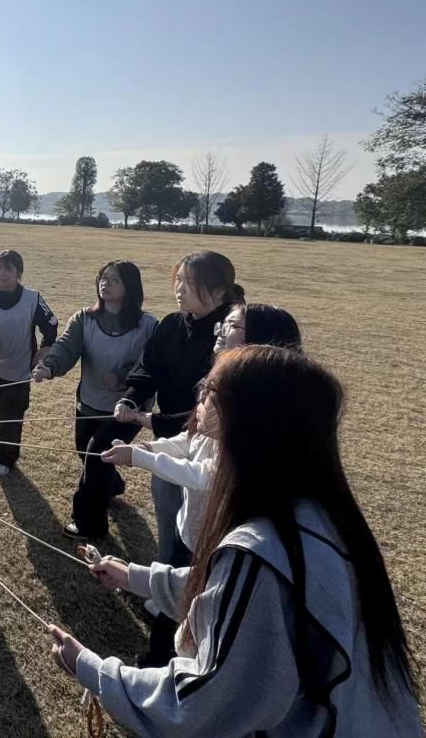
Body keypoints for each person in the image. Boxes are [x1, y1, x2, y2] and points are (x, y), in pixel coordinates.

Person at [49, 346, 422, 736]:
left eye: (211, 390)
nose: (200, 394)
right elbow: (229, 599)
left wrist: (91, 669)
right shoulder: (319, 517)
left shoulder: (262, 553)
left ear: (249, 420)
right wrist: (135, 577)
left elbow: (200, 707)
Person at [112, 251, 244, 665]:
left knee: (199, 541)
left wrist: (148, 432)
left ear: (218, 291)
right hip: (172, 443)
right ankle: (166, 591)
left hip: (186, 450)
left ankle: (178, 617)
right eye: (177, 280)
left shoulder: (233, 358)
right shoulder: (171, 325)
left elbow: (199, 430)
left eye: (188, 282)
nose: (178, 289)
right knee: (174, 525)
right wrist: (132, 399)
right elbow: (148, 369)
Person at [102, 302, 304, 557]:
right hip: (191, 526)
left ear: (262, 338)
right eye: (223, 323)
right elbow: (192, 439)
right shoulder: (223, 377)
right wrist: (146, 447)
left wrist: (138, 457)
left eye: (232, 325)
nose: (219, 330)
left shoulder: (259, 413)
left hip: (217, 542)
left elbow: (208, 475)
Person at [32, 260, 157, 539]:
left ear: (130, 287)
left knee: (97, 454)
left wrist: (124, 378)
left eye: (114, 279)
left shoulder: (148, 325)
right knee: (87, 453)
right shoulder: (84, 318)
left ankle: (90, 524)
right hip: (89, 403)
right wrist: (49, 366)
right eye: (103, 277)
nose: (105, 283)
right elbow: (66, 346)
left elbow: (152, 364)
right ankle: (111, 486)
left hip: (127, 410)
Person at [0, 249, 58, 476]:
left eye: (8, 269)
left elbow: (51, 324)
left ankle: (5, 458)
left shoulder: (32, 298)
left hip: (19, 369)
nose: (2, 273)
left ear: (19, 272)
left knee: (11, 413)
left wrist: (46, 347)